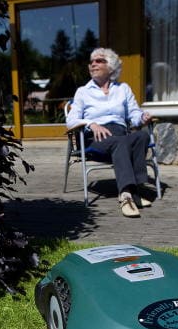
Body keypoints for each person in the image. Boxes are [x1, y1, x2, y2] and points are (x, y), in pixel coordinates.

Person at [66, 48, 154, 218]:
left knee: (142, 136)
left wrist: (142, 118)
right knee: (120, 142)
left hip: (120, 134)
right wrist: (91, 124)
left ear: (111, 66)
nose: (93, 64)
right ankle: (126, 195)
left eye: (99, 61)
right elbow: (71, 120)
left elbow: (134, 114)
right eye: (91, 62)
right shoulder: (83, 91)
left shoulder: (123, 89)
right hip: (95, 138)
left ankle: (134, 190)